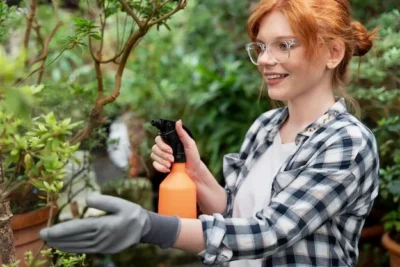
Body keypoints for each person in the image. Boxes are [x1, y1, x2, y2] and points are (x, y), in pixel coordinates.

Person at [40, 0, 380, 266]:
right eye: (261, 47)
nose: (265, 59)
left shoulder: (346, 141)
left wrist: (150, 226)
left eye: (284, 45)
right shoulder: (265, 128)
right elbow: (236, 216)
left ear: (333, 52)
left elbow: (270, 232)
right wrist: (194, 172)